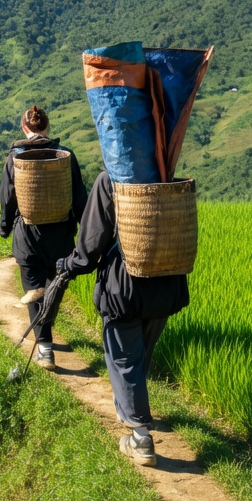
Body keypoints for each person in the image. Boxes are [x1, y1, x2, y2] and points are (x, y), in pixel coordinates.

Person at [54, 170, 189, 466]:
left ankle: (140, 438)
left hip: (125, 290)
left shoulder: (111, 181)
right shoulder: (171, 182)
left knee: (125, 361)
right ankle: (127, 408)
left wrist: (68, 265)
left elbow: (90, 244)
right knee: (139, 356)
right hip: (166, 285)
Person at [0, 105, 87, 370]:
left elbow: (7, 197)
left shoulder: (15, 157)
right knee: (54, 287)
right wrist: (88, 231)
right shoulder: (66, 155)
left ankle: (45, 348)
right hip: (60, 237)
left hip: (28, 237)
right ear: (48, 127)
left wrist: (4, 227)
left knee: (34, 290)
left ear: (25, 129)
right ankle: (45, 332)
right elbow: (79, 196)